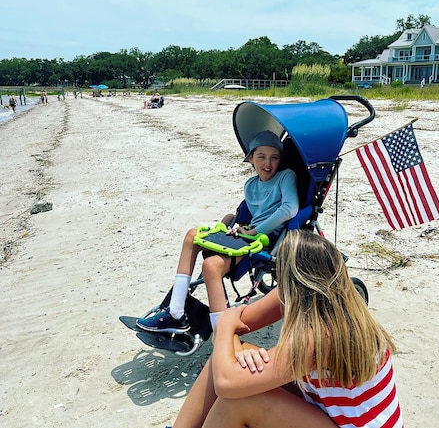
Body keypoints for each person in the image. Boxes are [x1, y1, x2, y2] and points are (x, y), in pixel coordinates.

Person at [171, 230, 404, 428]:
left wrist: (224, 331)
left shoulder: (321, 335)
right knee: (227, 365)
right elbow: (238, 324)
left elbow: (226, 382)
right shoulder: (333, 300)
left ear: (293, 282)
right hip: (336, 414)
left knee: (238, 398)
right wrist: (234, 347)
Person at [136, 130, 299, 333]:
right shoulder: (250, 185)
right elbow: (254, 213)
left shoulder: (286, 176)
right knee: (191, 235)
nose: (268, 163)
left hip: (264, 237)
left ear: (281, 160)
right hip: (248, 232)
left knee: (211, 266)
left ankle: (222, 339)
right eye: (261, 157)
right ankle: (176, 313)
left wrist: (253, 231)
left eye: (274, 158)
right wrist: (237, 227)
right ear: (251, 159)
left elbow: (290, 208)